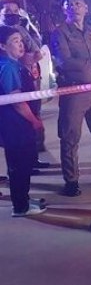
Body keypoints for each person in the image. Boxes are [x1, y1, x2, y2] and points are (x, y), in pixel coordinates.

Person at [50, 0, 91, 197]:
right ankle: (71, 181)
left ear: (86, 8)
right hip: (74, 91)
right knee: (70, 138)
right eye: (70, 4)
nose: (74, 7)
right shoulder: (60, 33)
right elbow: (65, 63)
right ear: (64, 9)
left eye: (78, 3)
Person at [0, 25, 46, 217]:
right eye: (15, 41)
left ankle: (24, 199)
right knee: (19, 165)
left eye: (21, 40)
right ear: (2, 46)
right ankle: (21, 206)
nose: (21, 45)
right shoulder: (8, 67)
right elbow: (17, 102)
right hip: (15, 125)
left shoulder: (14, 63)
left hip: (18, 125)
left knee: (24, 163)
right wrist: (34, 121)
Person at [0, 0, 50, 168]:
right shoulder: (7, 65)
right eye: (8, 12)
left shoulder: (22, 30)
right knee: (14, 136)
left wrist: (27, 61)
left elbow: (37, 51)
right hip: (10, 86)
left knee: (31, 121)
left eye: (15, 11)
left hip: (28, 80)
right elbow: (16, 101)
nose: (12, 15)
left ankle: (31, 161)